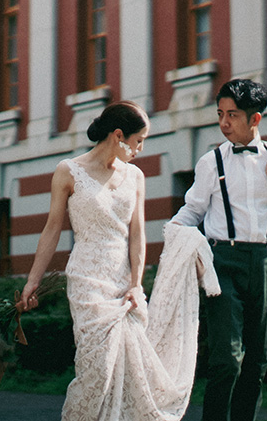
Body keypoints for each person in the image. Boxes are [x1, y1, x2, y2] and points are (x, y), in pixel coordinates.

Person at [19, 100, 218, 421]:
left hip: (123, 283)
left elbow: (137, 234)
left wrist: (137, 284)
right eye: (138, 141)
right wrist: (33, 281)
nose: (140, 148)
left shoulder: (135, 176)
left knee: (129, 374)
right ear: (118, 135)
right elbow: (52, 229)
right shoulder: (67, 171)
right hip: (86, 281)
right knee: (96, 369)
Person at [169, 79, 267, 421]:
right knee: (226, 359)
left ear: (255, 120)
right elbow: (192, 209)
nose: (224, 123)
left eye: (232, 115)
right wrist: (174, 232)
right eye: (220, 114)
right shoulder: (211, 163)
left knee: (258, 362)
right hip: (223, 263)